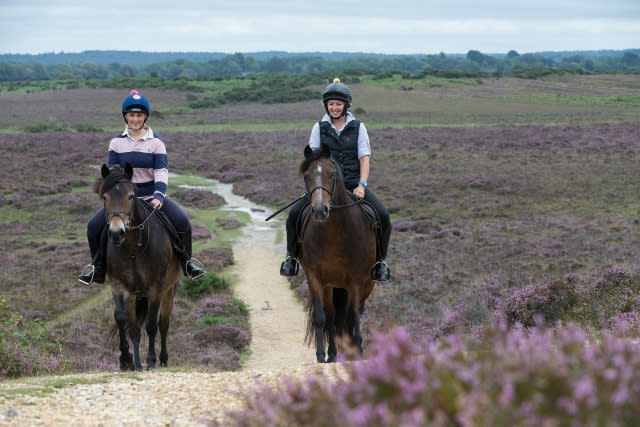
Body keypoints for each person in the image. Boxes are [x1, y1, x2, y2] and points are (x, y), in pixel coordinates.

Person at [78, 89, 205, 285]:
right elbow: (114, 174)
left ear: (145, 117)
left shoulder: (156, 142)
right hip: (123, 200)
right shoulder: (116, 142)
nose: (135, 119)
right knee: (93, 227)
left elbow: (161, 171)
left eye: (139, 115)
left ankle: (187, 263)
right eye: (131, 115)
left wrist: (159, 196)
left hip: (150, 198)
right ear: (125, 116)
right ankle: (98, 268)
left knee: (183, 223)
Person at [279, 78, 391, 281]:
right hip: (324, 186)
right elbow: (313, 160)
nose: (335, 107)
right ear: (326, 105)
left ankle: (380, 262)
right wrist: (316, 188)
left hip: (352, 184)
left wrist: (362, 184)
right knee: (294, 215)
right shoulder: (318, 127)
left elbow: (364, 158)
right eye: (331, 104)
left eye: (338, 104)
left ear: (346, 105)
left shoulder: (358, 127)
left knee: (383, 216)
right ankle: (291, 258)